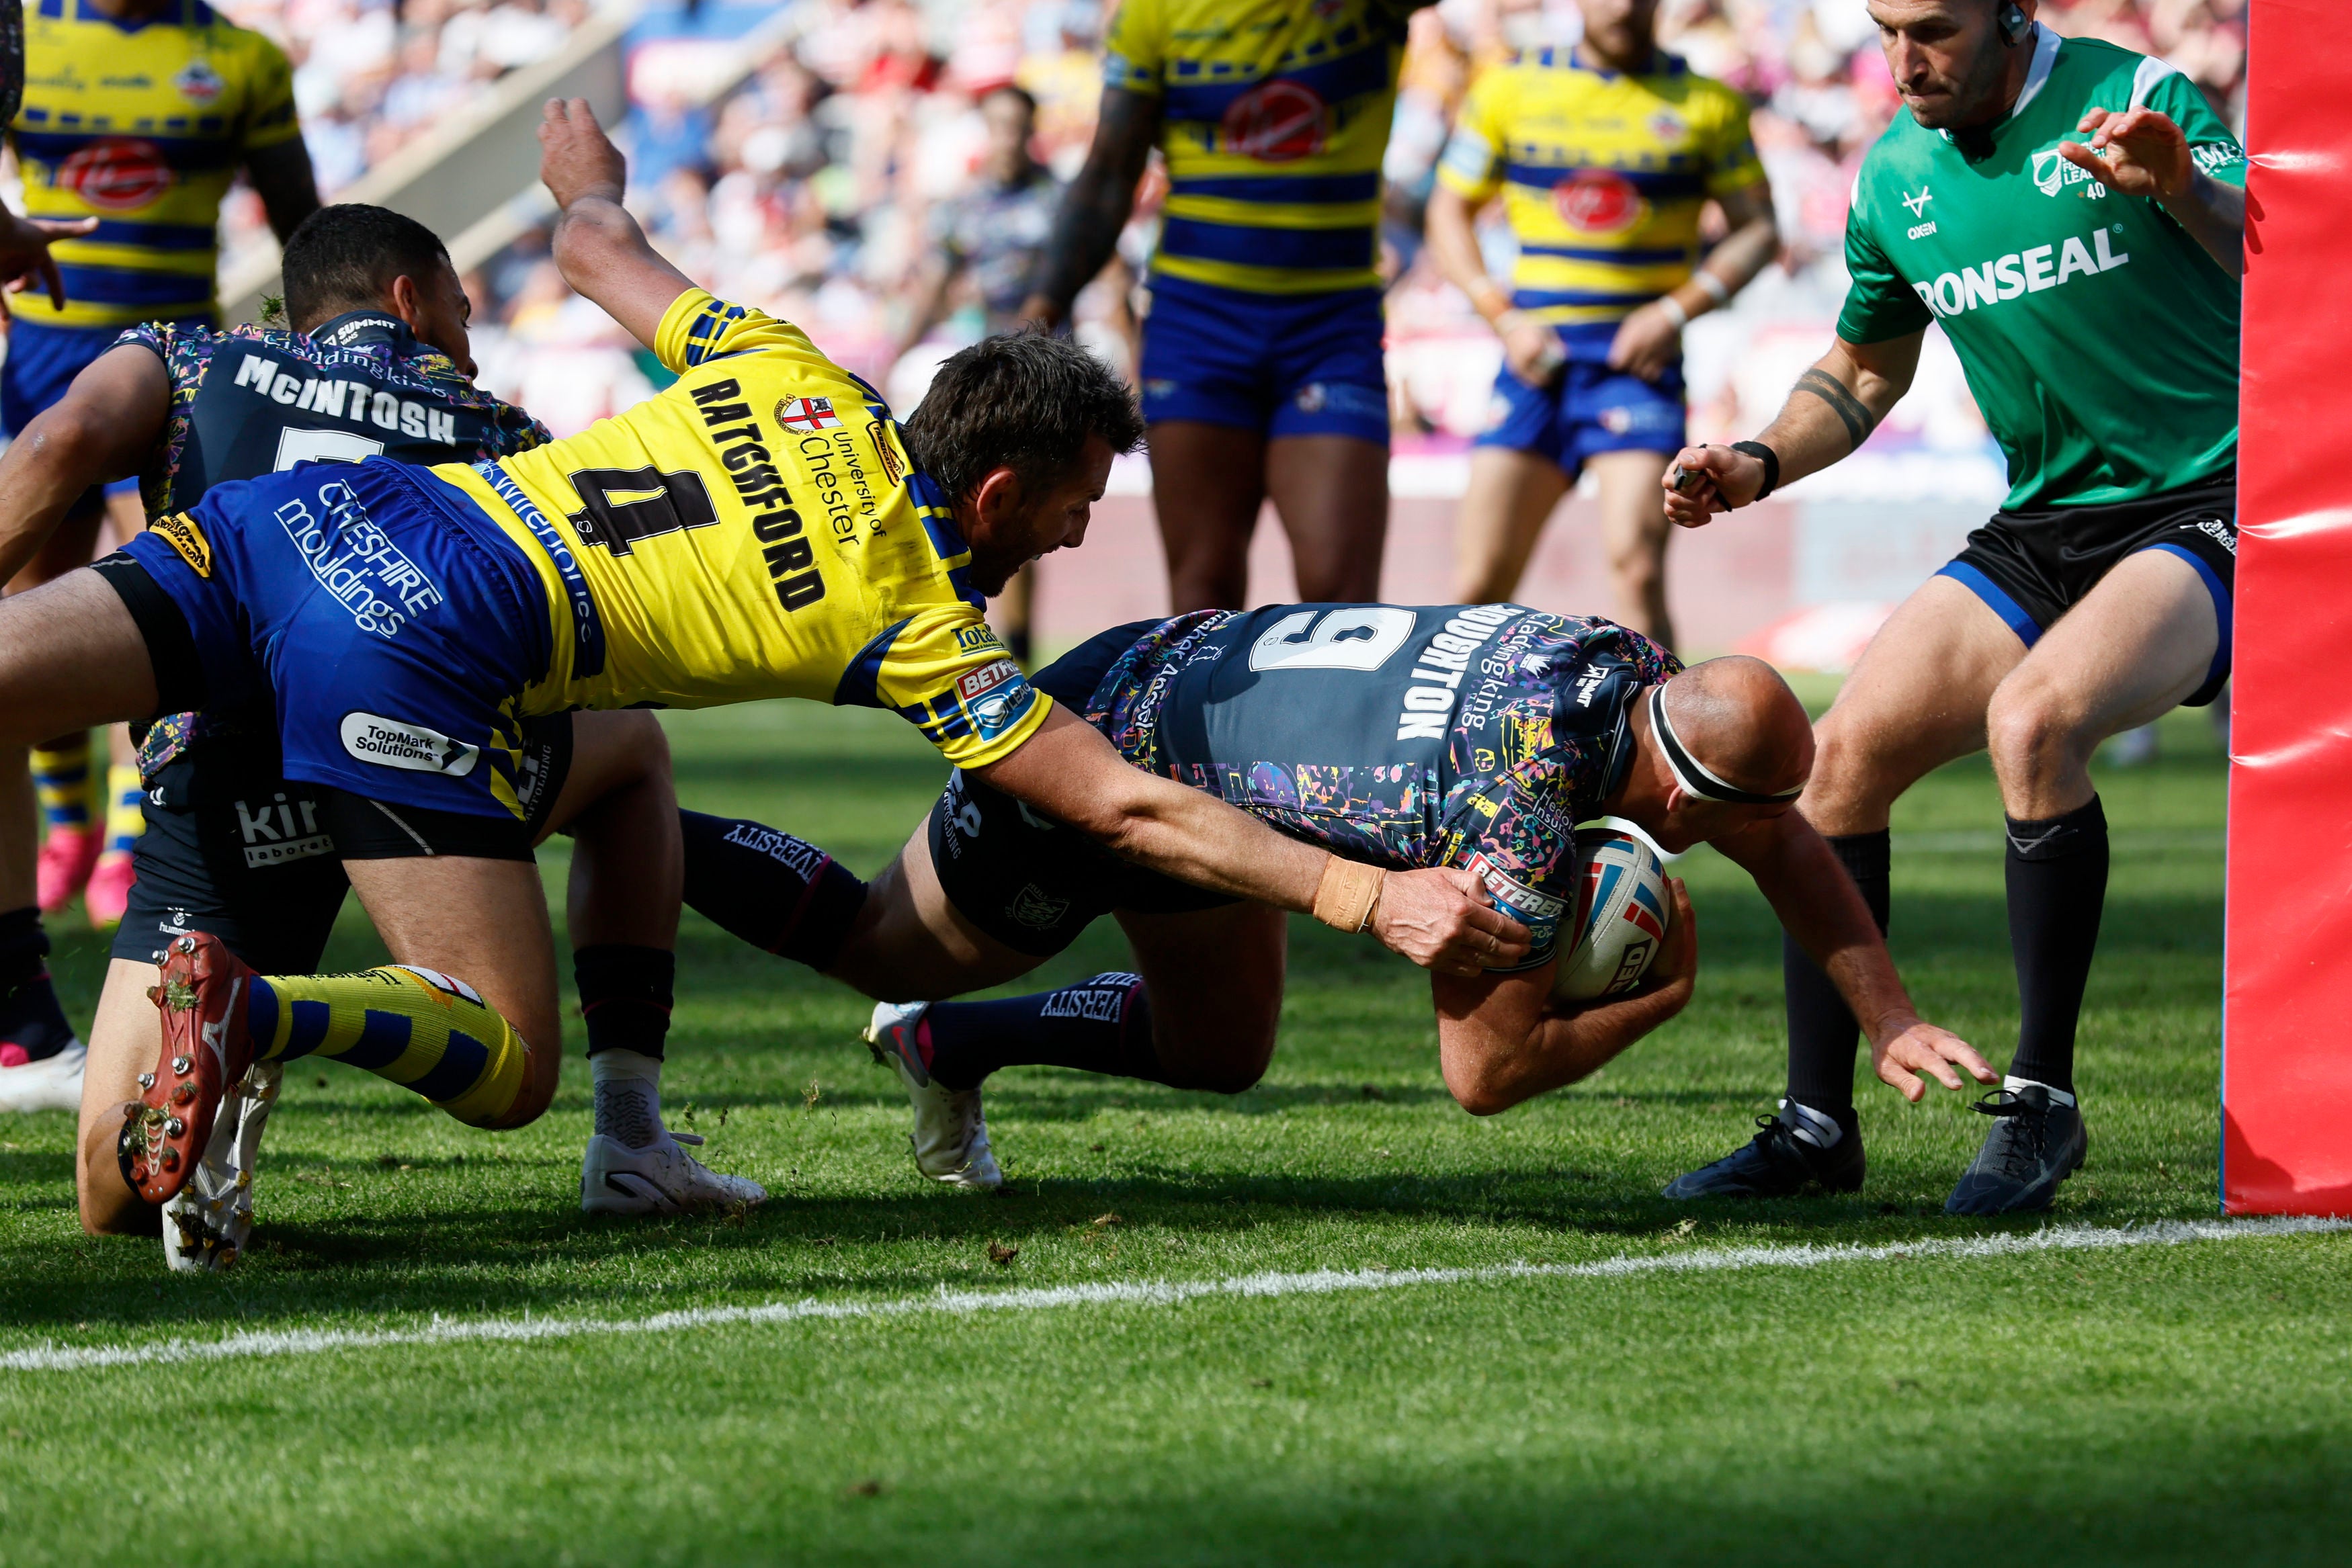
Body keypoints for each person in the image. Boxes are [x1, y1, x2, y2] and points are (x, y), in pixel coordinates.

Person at [0, 99, 1521, 1230]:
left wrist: (585, 174)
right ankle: (263, 1012)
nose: (1064, 548)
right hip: (420, 644)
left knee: (621, 771)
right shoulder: (917, 620)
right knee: (514, 1059)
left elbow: (597, 243)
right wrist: (1364, 892)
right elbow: (1121, 805)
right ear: (993, 498)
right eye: (1065, 515)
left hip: (292, 524)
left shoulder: (793, 370)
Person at [679, 604, 1993, 1190]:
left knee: (1218, 1050)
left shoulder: (1623, 665)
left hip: (1187, 697)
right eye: (1743, 825)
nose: (1765, 845)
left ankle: (944, 1044)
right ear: (1691, 803)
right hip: (1102, 738)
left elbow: (1779, 839)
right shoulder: (1518, 822)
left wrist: (1884, 1018)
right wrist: (1671, 994)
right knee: (877, 941)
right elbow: (1485, 1077)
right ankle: (628, 821)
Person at [0, 203, 698, 1264]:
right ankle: (633, 1135)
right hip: (411, 763)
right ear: (411, 300)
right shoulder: (499, 429)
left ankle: (216, 1043)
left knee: (114, 1192)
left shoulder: (194, 354)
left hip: (224, 780)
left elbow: (61, 441)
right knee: (632, 752)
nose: (469, 340)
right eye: (462, 312)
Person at [1657, 0, 2244, 1215]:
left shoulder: (2138, 96)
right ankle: (1818, 1125)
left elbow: (2274, 251)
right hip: (2045, 521)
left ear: (2009, 11)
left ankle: (2043, 1101)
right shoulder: (1894, 173)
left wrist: (2182, 185)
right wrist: (1758, 459)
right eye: (1883, 29)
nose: (1901, 59)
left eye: (1930, 29)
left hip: (2212, 498)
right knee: (1834, 759)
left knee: (2034, 723)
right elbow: (1868, 365)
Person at [7, 0, 319, 937]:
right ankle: (67, 823)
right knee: (33, 604)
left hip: (177, 371)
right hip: (39, 366)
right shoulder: (27, 33)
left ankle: (132, 838)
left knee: (152, 604)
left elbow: (304, 220)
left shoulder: (241, 58)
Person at [1019, 0, 1423, 612]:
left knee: (1342, 599)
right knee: (1202, 593)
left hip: (1330, 329)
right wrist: (1040, 314)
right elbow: (1109, 172)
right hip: (1197, 325)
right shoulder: (1155, 16)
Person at [1425, 0, 1777, 650]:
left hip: (1635, 370)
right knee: (1477, 580)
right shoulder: (1509, 87)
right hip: (1535, 361)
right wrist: (1501, 318)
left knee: (1636, 568)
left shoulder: (1708, 105)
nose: (1621, 6)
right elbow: (1446, 210)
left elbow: (1758, 230)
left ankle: (1666, 748)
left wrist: (1672, 312)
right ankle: (1440, 748)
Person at [894, 83, 1064, 664]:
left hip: (1049, 376)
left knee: (1031, 511)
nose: (1009, 139)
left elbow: (1109, 278)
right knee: (985, 509)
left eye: (1019, 126)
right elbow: (935, 289)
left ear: (1033, 130)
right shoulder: (963, 207)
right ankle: (991, 645)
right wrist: (896, 351)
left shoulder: (1059, 200)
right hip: (992, 374)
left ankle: (1018, 648)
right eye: (998, 126)